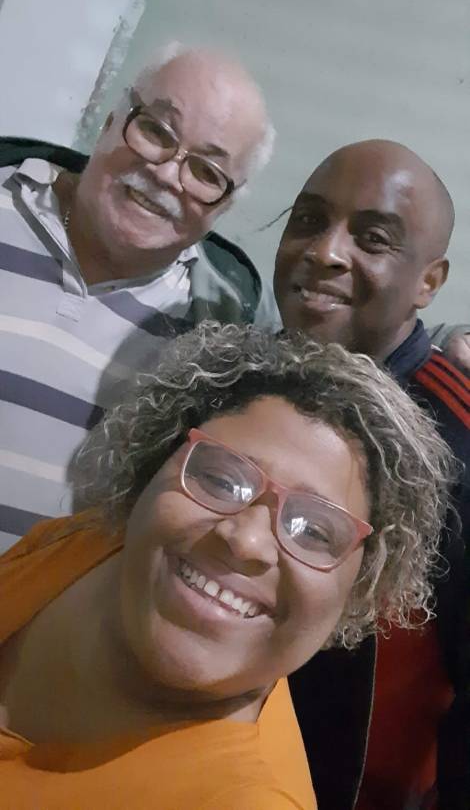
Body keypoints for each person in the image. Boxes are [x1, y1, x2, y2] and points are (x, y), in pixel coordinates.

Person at [0, 322, 454, 810]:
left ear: (360, 591)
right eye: (219, 479)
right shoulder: (82, 544)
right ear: (148, 472)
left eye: (314, 531)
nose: (246, 540)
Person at [0, 44, 278, 544]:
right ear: (112, 119)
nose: (167, 174)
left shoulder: (219, 332)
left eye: (206, 172)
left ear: (226, 206)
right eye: (156, 131)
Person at [273, 139, 470, 810]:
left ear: (428, 282)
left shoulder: (457, 445)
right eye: (308, 220)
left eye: (373, 238)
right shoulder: (227, 387)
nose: (324, 251)